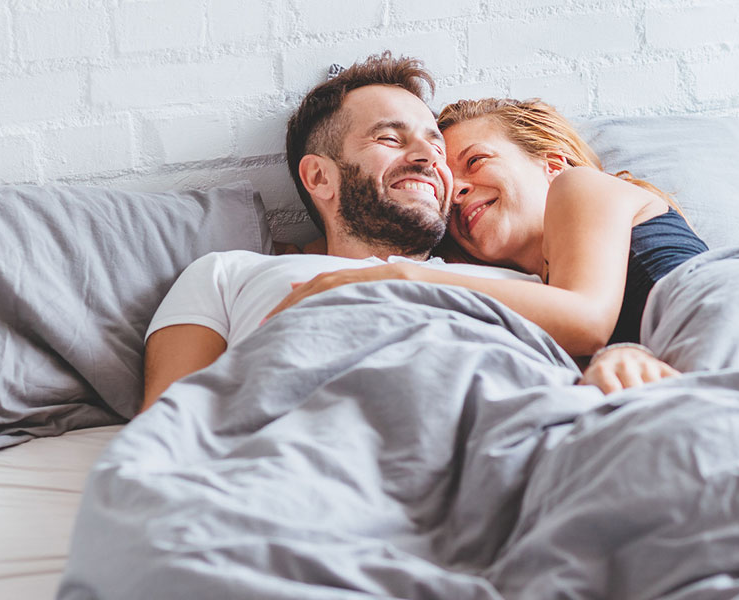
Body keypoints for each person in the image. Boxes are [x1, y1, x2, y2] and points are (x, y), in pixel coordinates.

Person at [139, 52, 538, 413]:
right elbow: (166, 428)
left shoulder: (520, 285)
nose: (427, 158)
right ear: (319, 177)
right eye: (389, 138)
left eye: (435, 147)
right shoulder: (227, 275)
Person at [264, 98, 708, 392]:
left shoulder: (579, 187)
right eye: (449, 186)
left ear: (552, 163)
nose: (457, 192)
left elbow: (586, 319)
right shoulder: (528, 292)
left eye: (476, 161)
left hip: (729, 305)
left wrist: (399, 276)